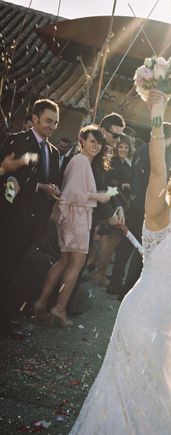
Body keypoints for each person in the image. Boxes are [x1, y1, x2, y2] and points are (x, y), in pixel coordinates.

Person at [19, 90, 171, 435]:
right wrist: (159, 113)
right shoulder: (159, 216)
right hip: (141, 316)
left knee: (160, 397)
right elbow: (159, 169)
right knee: (129, 393)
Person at [33, 125, 111, 326]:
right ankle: (58, 308)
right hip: (76, 217)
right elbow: (72, 193)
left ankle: (42, 303)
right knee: (75, 265)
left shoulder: (80, 161)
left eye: (99, 142)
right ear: (82, 141)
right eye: (92, 141)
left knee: (64, 262)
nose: (96, 146)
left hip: (74, 216)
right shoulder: (81, 161)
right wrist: (98, 196)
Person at [0, 99, 61, 333]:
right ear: (34, 119)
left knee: (14, 271)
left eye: (56, 123)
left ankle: (4, 319)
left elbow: (52, 180)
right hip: (10, 218)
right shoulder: (18, 140)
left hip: (34, 222)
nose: (52, 126)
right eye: (48, 121)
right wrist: (38, 187)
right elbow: (4, 173)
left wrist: (53, 190)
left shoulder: (53, 152)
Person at [107, 122, 171, 298]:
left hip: (134, 202)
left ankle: (114, 284)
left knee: (126, 245)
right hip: (149, 206)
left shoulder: (140, 149)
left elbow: (134, 176)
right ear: (169, 139)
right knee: (142, 250)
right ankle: (127, 290)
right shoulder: (164, 154)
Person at [92, 135, 133, 285]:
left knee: (107, 238)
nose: (123, 149)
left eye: (126, 147)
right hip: (114, 203)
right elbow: (111, 186)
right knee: (111, 240)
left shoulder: (126, 164)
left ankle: (96, 270)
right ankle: (100, 274)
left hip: (120, 204)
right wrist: (123, 188)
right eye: (120, 147)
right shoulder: (114, 162)